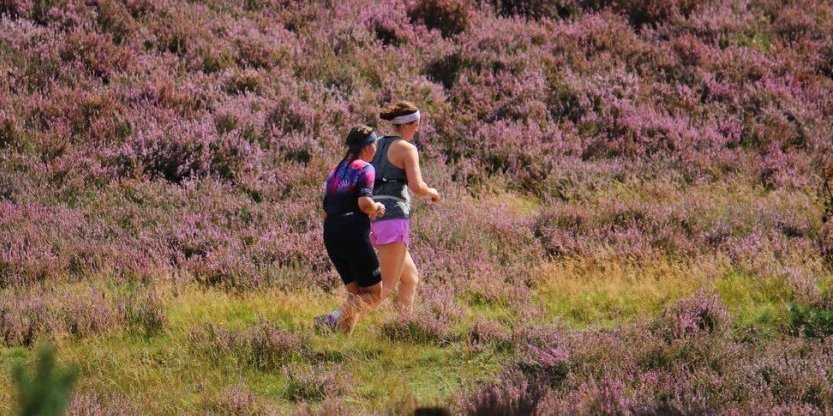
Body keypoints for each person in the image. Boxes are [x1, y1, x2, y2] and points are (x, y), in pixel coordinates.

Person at [370, 101, 440, 317]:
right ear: (408, 124)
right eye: (416, 124)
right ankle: (337, 318)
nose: (417, 129)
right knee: (387, 286)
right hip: (394, 218)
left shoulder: (374, 145)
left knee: (410, 278)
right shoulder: (407, 149)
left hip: (372, 215)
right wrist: (432, 192)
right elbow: (416, 187)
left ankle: (403, 328)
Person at [315, 125, 386, 333]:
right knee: (374, 294)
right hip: (353, 233)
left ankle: (344, 342)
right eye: (375, 145)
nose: (376, 149)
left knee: (355, 295)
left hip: (331, 233)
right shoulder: (365, 168)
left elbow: (326, 210)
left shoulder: (336, 170)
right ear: (368, 146)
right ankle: (330, 319)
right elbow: (365, 203)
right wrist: (377, 207)